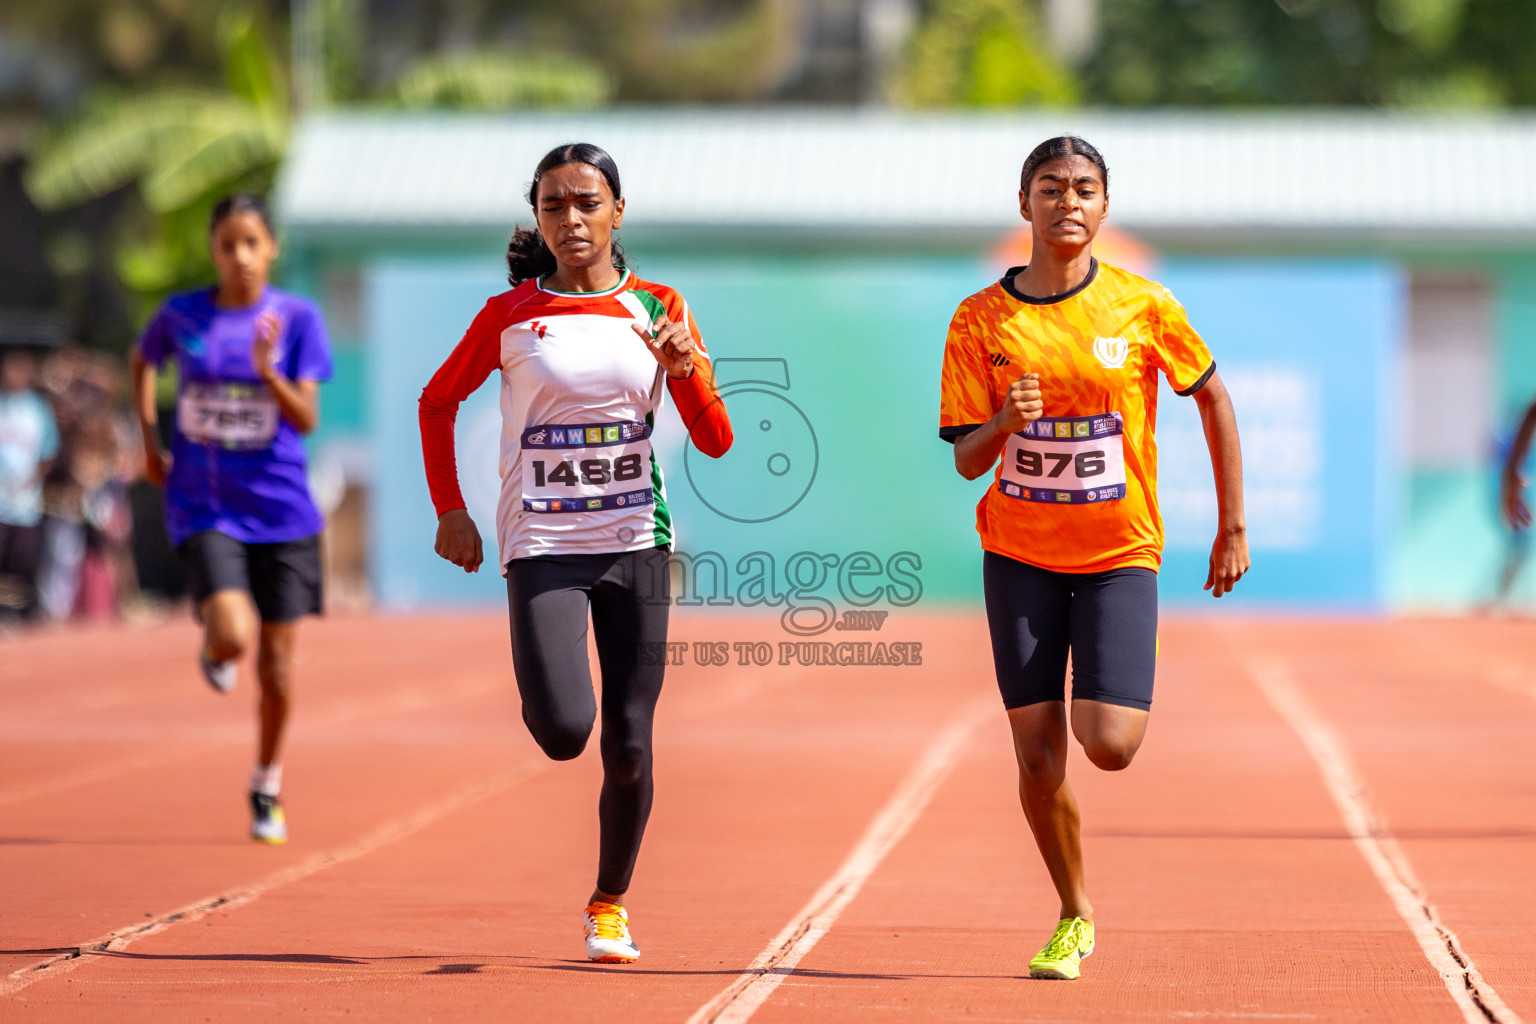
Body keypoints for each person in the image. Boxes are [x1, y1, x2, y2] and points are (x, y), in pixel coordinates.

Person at [938, 136, 1249, 981]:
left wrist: (1232, 525)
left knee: (1107, 743)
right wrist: (1002, 421)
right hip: (1020, 554)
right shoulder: (979, 321)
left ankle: (1113, 685)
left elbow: (1213, 396)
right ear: (1025, 204)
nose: (1066, 202)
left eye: (1083, 189)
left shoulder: (1142, 306)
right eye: (1050, 187)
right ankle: (1073, 913)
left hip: (1118, 552)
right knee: (1037, 754)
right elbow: (967, 457)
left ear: (1104, 207)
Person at [419, 142, 733, 964]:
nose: (571, 220)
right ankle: (555, 709)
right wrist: (451, 510)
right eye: (554, 206)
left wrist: (686, 370)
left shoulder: (661, 306)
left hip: (635, 542)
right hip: (545, 546)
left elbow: (718, 440)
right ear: (539, 218)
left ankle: (609, 902)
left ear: (617, 211)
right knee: (565, 731)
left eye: (587, 203)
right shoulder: (508, 315)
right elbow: (437, 400)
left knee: (629, 743)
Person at [129, 193, 333, 844]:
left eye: (252, 243)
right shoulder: (182, 315)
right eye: (227, 245)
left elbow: (305, 419)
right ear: (214, 251)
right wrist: (148, 439)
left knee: (276, 666)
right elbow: (142, 361)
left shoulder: (297, 318)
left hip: (282, 510)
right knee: (235, 637)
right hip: (204, 501)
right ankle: (215, 642)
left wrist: (268, 373)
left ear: (271, 247)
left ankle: (267, 783)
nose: (239, 256)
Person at [0, 346, 60, 625]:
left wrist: (32, 478)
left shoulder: (38, 408)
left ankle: (16, 612)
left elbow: (49, 450)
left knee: (21, 559)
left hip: (25, 500)